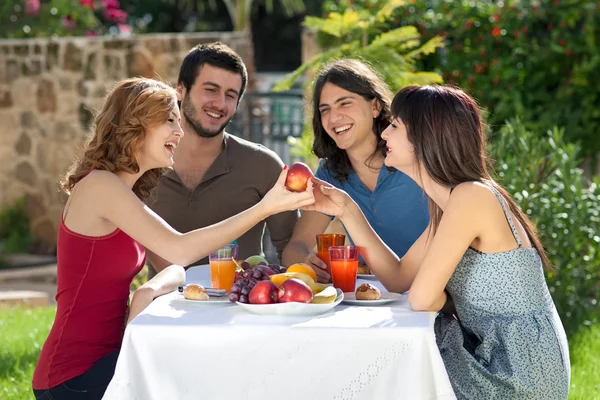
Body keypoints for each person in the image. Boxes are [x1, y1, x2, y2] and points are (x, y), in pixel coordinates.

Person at [31, 78, 314, 400]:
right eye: (169, 120)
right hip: (73, 376)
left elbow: (175, 264)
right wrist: (265, 207)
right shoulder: (100, 187)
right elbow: (180, 249)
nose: (179, 131)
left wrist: (148, 290)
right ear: (134, 123)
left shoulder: (124, 193)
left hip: (112, 359)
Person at [305, 85, 570, 399]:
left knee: (381, 365)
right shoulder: (450, 206)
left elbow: (420, 298)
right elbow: (398, 277)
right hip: (498, 355)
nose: (385, 135)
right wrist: (347, 209)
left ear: (423, 137)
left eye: (395, 126)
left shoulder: (473, 197)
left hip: (518, 370)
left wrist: (449, 301)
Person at [145, 42, 299, 280]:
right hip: (162, 311)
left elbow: (294, 248)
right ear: (181, 90)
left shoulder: (263, 165)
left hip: (242, 312)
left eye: (230, 95)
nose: (219, 103)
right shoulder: (144, 166)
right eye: (211, 90)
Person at [282, 59, 429, 282]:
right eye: (325, 110)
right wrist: (306, 263)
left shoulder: (413, 158)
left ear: (375, 107)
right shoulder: (329, 173)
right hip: (368, 299)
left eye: (345, 103)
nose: (333, 118)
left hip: (431, 294)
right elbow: (297, 246)